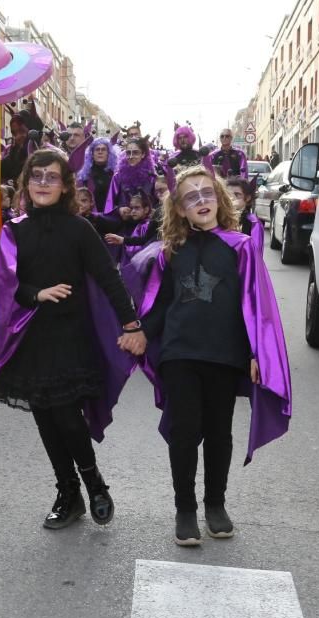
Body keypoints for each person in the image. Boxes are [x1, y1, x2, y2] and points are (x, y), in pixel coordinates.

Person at [0, 149, 142, 531]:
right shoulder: (15, 229)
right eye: (37, 176)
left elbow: (109, 278)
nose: (43, 182)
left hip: (72, 336)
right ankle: (68, 494)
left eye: (52, 176)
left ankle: (94, 484)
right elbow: (3, 285)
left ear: (65, 186)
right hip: (31, 337)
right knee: (46, 418)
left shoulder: (79, 229)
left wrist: (131, 325)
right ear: (27, 183)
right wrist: (36, 294)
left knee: (66, 414)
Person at [118, 166, 291, 546]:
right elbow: (162, 303)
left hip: (224, 354)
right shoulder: (170, 252)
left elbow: (254, 306)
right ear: (178, 209)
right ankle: (185, 509)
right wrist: (142, 331)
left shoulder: (241, 246)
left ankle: (216, 504)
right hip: (180, 352)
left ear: (219, 199)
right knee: (183, 431)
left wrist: (255, 353)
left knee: (218, 432)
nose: (200, 200)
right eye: (191, 196)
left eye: (207, 193)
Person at [106, 137, 156, 213]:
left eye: (135, 152)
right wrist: (119, 210)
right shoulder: (118, 176)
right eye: (128, 153)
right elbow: (109, 204)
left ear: (143, 154)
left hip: (146, 223)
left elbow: (158, 202)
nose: (131, 156)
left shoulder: (151, 177)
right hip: (123, 222)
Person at [76, 138, 117, 214]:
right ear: (92, 153)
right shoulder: (84, 175)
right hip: (90, 216)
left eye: (103, 149)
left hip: (111, 217)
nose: (100, 152)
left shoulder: (115, 174)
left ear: (109, 153)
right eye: (97, 149)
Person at [227, 176, 264, 252]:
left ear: (247, 198)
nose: (231, 198)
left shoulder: (254, 223)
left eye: (237, 195)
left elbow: (255, 253)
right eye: (228, 195)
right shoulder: (219, 218)